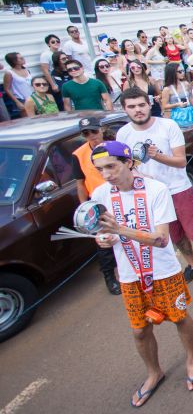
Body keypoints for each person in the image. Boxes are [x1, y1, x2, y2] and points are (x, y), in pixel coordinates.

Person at [88, 141, 193, 407]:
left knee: (179, 317)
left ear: (129, 162)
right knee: (139, 330)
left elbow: (162, 240)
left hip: (163, 270)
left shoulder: (156, 190)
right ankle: (154, 372)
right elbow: (101, 232)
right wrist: (103, 239)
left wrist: (120, 230)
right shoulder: (100, 194)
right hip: (130, 274)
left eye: (111, 167)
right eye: (100, 169)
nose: (106, 175)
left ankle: (192, 359)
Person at [116, 87, 193, 282]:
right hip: (152, 194)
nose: (137, 110)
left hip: (178, 187)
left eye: (141, 105)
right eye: (132, 106)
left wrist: (158, 156)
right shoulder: (123, 134)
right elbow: (126, 166)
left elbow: (181, 161)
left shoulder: (168, 125)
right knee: (174, 234)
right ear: (125, 109)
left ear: (149, 105)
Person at [71, 117, 119, 294]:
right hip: (99, 203)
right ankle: (110, 277)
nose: (91, 136)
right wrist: (86, 208)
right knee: (104, 241)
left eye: (94, 131)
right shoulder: (79, 155)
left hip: (119, 195)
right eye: (86, 133)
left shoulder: (113, 146)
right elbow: (80, 184)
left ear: (101, 129)